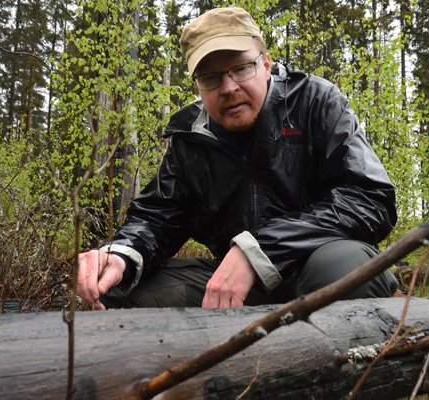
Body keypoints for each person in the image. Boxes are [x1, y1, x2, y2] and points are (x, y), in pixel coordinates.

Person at [77, 7, 399, 309]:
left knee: (345, 270)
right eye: (210, 77)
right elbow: (157, 217)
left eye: (241, 68)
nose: (228, 87)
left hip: (314, 269)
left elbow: (370, 199)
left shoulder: (315, 102)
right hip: (235, 288)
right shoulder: (191, 138)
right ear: (198, 86)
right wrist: (122, 253)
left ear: (266, 64)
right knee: (119, 287)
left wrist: (258, 250)